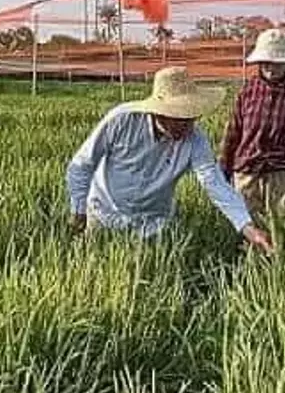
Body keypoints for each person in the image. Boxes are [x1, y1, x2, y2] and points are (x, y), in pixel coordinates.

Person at [66, 66, 274, 253]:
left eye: (191, 117)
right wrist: (78, 211)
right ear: (160, 112)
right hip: (104, 214)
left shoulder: (195, 139)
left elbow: (215, 183)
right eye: (179, 117)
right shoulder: (122, 121)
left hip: (152, 223)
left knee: (150, 274)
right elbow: (82, 165)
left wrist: (247, 227)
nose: (187, 125)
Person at [219, 28, 285, 217]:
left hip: (284, 176)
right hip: (248, 175)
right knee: (247, 229)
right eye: (266, 63)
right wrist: (223, 172)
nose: (271, 68)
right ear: (259, 63)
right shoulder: (247, 91)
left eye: (278, 63)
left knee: (284, 231)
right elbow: (233, 133)